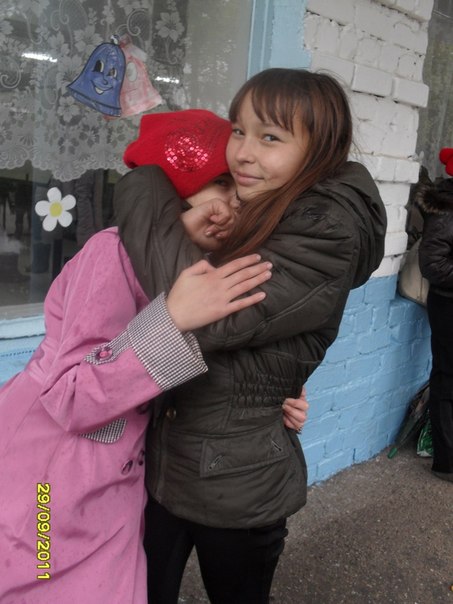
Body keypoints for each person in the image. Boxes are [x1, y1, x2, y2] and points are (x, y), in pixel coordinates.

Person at [114, 67, 387, 604]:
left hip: (236, 482)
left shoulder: (325, 228)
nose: (242, 153)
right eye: (239, 130)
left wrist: (144, 180)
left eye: (270, 138)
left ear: (319, 149)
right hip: (171, 457)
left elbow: (202, 311)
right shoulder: (265, 208)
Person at [0, 175, 276, 602]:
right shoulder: (112, 250)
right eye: (220, 182)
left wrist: (271, 396)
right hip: (49, 476)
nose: (234, 200)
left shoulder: (204, 264)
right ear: (180, 184)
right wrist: (171, 319)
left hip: (120, 481)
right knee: (38, 576)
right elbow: (71, 395)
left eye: (240, 189)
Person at [417, 147, 453, 483]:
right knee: (447, 378)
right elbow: (433, 265)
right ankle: (446, 461)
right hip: (448, 304)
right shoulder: (445, 210)